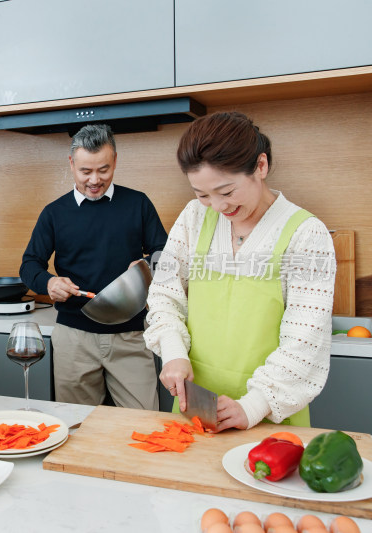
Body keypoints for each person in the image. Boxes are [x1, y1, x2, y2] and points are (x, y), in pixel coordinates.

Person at [144, 111, 336, 432]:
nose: (218, 206)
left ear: (260, 166)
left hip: (270, 416)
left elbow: (305, 339)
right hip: (196, 407)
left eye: (227, 191)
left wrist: (252, 406)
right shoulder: (194, 217)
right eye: (202, 194)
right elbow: (165, 295)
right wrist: (174, 353)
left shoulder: (306, 234)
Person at [20, 124, 168, 408]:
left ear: (115, 162)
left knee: (145, 424)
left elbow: (165, 253)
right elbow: (29, 265)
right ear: (71, 163)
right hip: (74, 338)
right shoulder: (54, 213)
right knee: (78, 427)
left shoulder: (138, 203)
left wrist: (148, 263)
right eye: (85, 171)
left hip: (131, 335)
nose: (95, 180)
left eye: (103, 169)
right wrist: (49, 282)